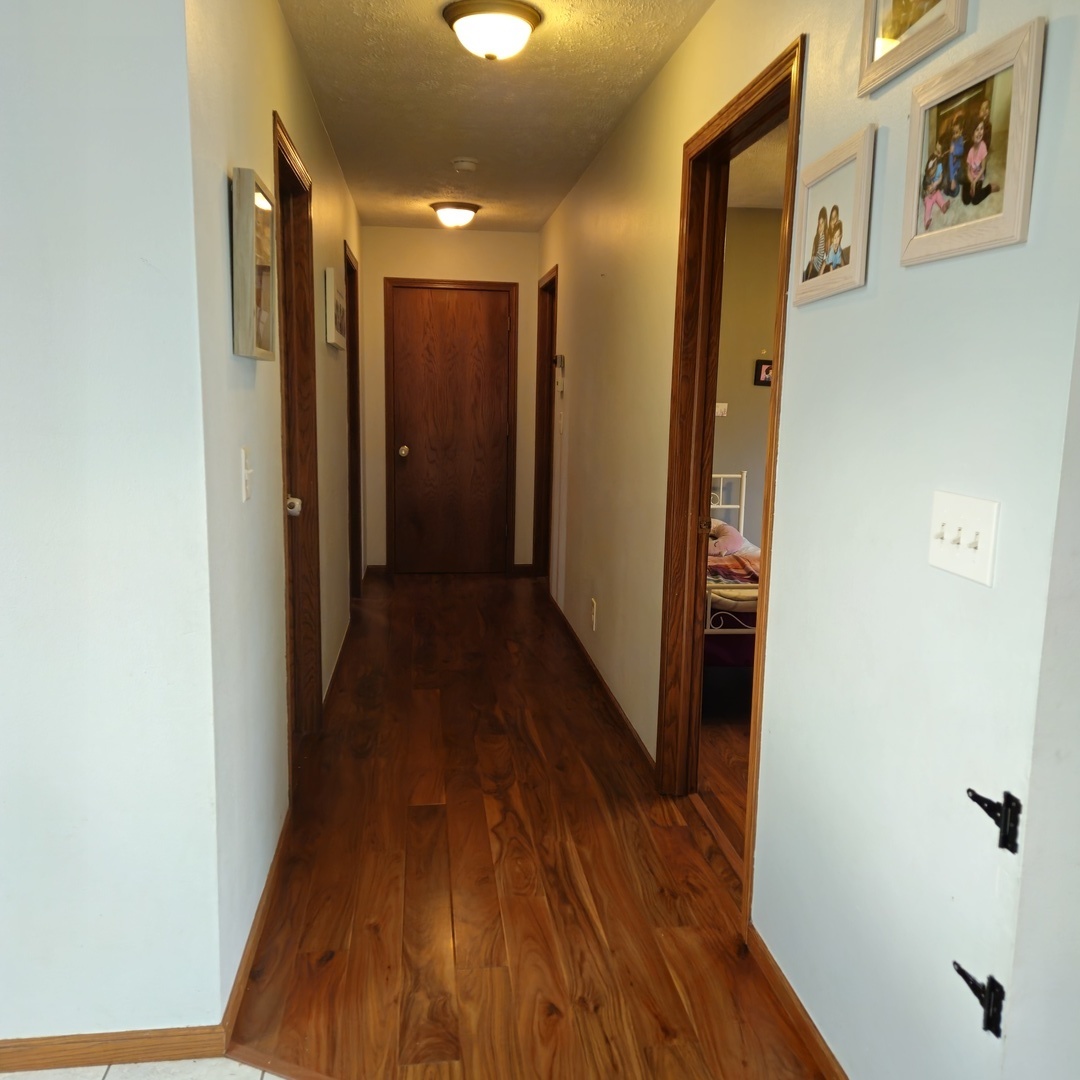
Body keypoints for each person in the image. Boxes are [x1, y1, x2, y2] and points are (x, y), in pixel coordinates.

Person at [962, 120, 998, 206]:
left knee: (975, 200)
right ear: (972, 133)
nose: (979, 132)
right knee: (966, 200)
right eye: (977, 129)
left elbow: (983, 168)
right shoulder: (970, 151)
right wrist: (971, 182)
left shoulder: (983, 146)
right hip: (970, 177)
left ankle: (989, 188)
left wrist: (975, 182)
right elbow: (968, 171)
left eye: (981, 129)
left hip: (979, 177)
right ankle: (968, 186)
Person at [922, 138, 950, 229]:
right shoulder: (927, 177)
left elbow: (941, 177)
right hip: (929, 195)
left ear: (942, 154)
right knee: (928, 205)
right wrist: (928, 190)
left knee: (939, 195)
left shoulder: (940, 164)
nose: (935, 153)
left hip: (936, 191)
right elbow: (925, 187)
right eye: (935, 149)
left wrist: (936, 183)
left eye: (937, 152)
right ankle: (927, 220)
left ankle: (943, 206)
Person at [945, 114, 966, 197]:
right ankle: (951, 185)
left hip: (959, 168)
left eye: (956, 132)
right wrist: (952, 178)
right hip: (952, 169)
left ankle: (953, 186)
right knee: (947, 183)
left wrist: (954, 151)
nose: (954, 135)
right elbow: (950, 162)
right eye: (953, 133)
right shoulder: (952, 142)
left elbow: (962, 151)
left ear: (961, 131)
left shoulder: (961, 139)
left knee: (955, 191)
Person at [804, 206, 827, 280]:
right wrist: (808, 276)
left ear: (825, 222)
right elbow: (812, 257)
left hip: (817, 269)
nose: (821, 226)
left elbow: (827, 255)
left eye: (822, 223)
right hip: (812, 267)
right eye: (819, 224)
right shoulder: (816, 238)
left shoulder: (826, 237)